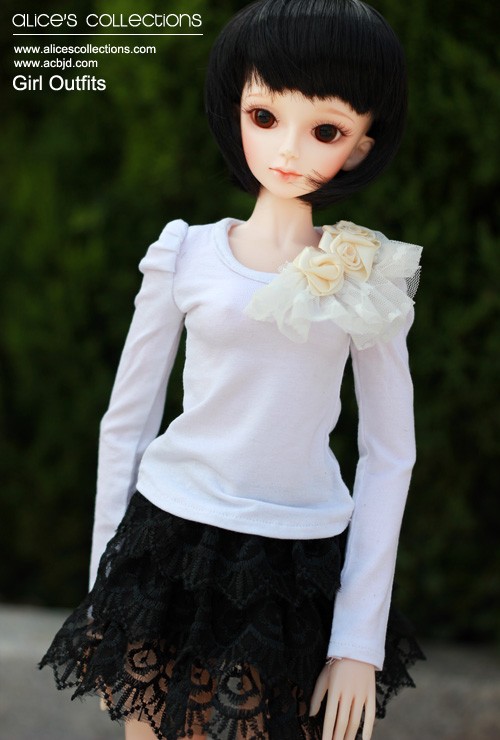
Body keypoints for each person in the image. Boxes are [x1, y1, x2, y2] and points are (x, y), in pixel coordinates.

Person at [39, 1, 424, 738]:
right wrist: (103, 591)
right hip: (168, 538)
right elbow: (127, 422)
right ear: (234, 110)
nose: (288, 149)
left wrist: (358, 638)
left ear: (363, 146)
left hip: (296, 552)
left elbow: (389, 455)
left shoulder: (366, 273)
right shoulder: (184, 253)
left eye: (327, 130)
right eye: (264, 115)